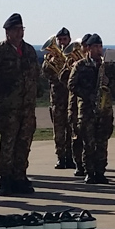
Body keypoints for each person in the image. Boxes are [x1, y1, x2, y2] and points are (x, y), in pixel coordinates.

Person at [0, 13, 41, 193]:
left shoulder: (29, 50)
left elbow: (36, 74)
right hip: (7, 107)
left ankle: (20, 175)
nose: (20, 33)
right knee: (8, 143)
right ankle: (6, 177)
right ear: (7, 32)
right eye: (16, 30)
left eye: (22, 29)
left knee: (24, 143)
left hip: (27, 106)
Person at [69, 34, 115, 183]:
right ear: (88, 48)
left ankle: (100, 172)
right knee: (88, 143)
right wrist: (88, 94)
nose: (99, 50)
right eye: (95, 47)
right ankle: (89, 172)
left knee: (102, 143)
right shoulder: (80, 65)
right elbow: (71, 85)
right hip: (87, 110)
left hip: (104, 110)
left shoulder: (108, 66)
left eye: (100, 47)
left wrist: (109, 83)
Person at [41, 28, 81, 168]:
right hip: (57, 98)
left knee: (72, 129)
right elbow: (45, 73)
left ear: (69, 39)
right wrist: (51, 62)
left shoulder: (74, 56)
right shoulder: (50, 57)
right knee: (58, 130)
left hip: (71, 98)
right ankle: (60, 157)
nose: (62, 42)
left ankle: (71, 157)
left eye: (64, 39)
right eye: (59, 40)